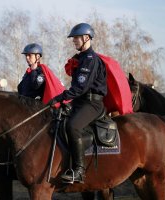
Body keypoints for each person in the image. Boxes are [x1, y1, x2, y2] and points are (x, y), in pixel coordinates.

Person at [49, 23, 107, 183]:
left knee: (72, 126)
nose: (74, 41)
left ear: (86, 38)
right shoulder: (81, 58)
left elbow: (81, 87)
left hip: (92, 103)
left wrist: (60, 98)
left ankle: (79, 170)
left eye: (76, 38)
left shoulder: (90, 59)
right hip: (80, 101)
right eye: (73, 38)